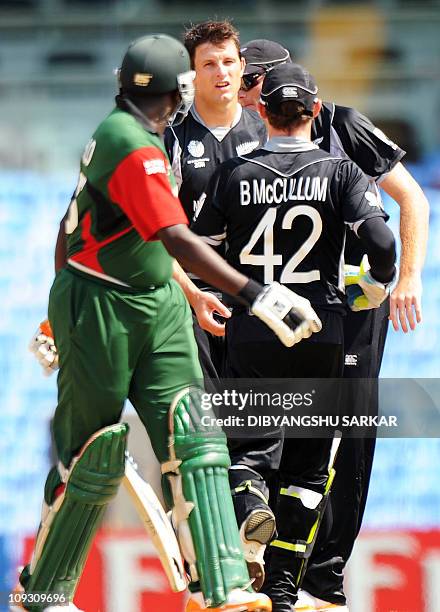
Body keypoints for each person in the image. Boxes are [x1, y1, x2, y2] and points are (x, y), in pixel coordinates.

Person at [18, 34, 326, 612]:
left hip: (157, 301)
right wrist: (259, 295)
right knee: (89, 452)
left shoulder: (138, 133)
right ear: (174, 89)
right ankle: (42, 591)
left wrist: (181, 291)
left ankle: (222, 584)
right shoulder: (131, 143)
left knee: (197, 434)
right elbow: (175, 236)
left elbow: (72, 225)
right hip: (103, 306)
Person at [192, 62, 397, 612]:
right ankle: (284, 587)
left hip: (254, 329)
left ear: (261, 113)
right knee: (309, 468)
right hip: (322, 332)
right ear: (314, 111)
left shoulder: (232, 173)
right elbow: (383, 243)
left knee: (251, 448)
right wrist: (375, 284)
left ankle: (252, 504)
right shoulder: (341, 171)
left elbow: (200, 252)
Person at [238, 39, 429, 611]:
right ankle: (271, 571)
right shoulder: (246, 145)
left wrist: (409, 276)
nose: (245, 92)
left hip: (352, 307)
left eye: (254, 81)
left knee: (348, 437)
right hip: (277, 312)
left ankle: (323, 578)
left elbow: (412, 200)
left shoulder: (342, 125)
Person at [164, 20, 267, 381]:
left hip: (261, 297)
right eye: (208, 64)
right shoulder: (170, 139)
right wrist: (192, 295)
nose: (220, 72)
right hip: (194, 299)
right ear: (191, 74)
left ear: (242, 66)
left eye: (227, 61)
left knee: (261, 427)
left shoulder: (268, 131)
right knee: (206, 424)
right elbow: (156, 234)